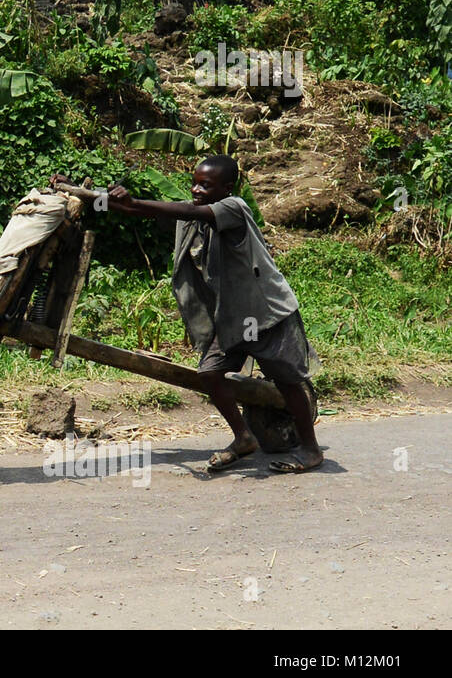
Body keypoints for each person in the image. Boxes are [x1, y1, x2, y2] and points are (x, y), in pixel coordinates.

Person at [52, 157, 324, 473]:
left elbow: (185, 210)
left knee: (288, 381)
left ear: (227, 188)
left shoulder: (234, 208)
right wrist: (77, 190)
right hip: (231, 316)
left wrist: (134, 201)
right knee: (209, 373)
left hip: (264, 312)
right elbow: (135, 210)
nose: (196, 189)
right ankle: (244, 437)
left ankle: (311, 448)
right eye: (194, 182)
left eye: (205, 185)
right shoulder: (196, 214)